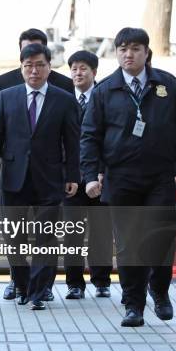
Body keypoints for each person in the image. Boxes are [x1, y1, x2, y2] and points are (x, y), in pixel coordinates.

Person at [81, 27, 176, 327]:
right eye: (122, 49)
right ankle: (133, 305)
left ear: (147, 52)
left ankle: (159, 291)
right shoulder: (106, 89)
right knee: (128, 243)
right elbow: (90, 136)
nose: (128, 54)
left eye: (134, 48)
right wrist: (90, 175)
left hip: (160, 176)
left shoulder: (167, 85)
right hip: (121, 178)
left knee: (160, 239)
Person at [0, 43, 80, 310]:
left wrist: (73, 175)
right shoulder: (8, 96)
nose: (34, 71)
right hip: (14, 177)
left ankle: (39, 293)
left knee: (45, 238)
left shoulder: (64, 98)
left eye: (39, 65)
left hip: (50, 178)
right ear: (21, 68)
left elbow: (72, 142)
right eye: (28, 66)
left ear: (49, 67)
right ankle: (23, 285)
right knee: (13, 237)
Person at [63, 50, 113, 300]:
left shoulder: (104, 98)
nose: (78, 73)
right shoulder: (62, 100)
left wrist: (102, 171)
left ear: (94, 72)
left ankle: (102, 280)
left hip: (100, 178)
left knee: (101, 230)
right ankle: (74, 283)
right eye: (74, 68)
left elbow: (109, 139)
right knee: (72, 231)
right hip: (71, 179)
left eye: (83, 68)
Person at [0, 28, 74, 135]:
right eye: (27, 49)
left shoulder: (64, 84)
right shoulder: (4, 82)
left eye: (36, 48)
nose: (32, 52)